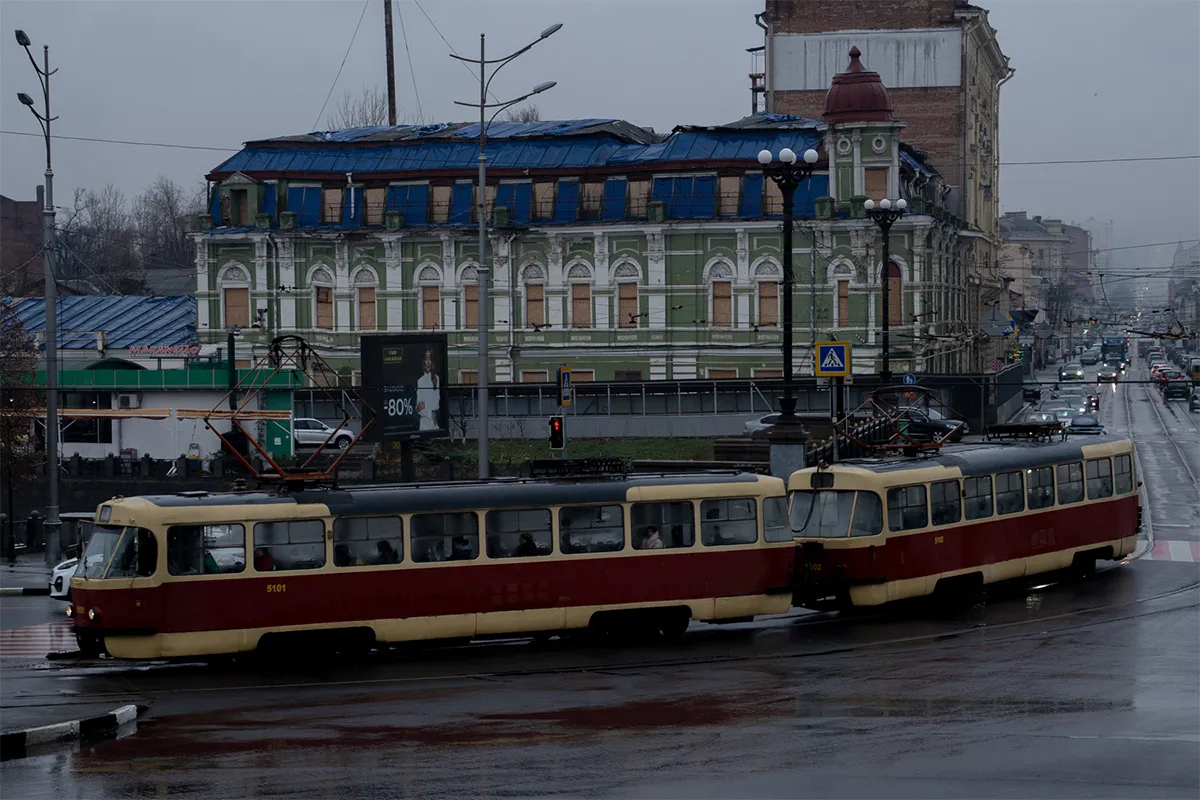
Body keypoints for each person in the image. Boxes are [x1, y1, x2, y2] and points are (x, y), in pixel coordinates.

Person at [415, 347, 441, 431]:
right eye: (426, 359)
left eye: (430, 359)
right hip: (424, 425)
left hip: (434, 423)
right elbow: (418, 408)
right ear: (423, 360)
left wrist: (425, 405)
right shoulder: (419, 380)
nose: (429, 362)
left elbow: (436, 404)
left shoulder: (436, 378)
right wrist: (429, 411)